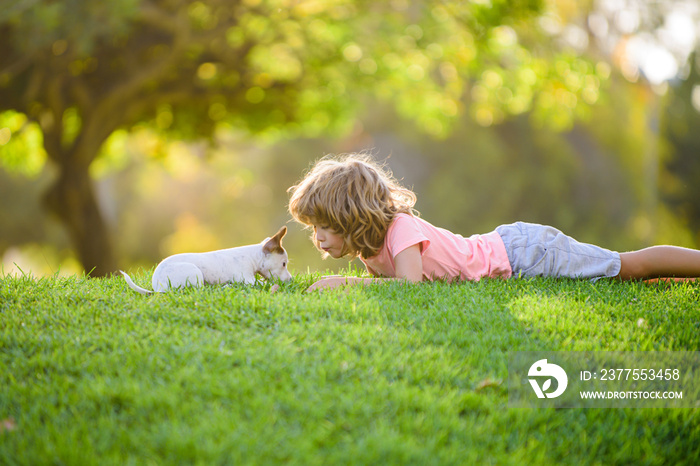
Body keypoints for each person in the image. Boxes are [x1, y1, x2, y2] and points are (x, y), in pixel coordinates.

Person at [287, 153, 700, 291]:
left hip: (526, 253)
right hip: (514, 250)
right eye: (313, 228)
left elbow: (409, 291)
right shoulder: (370, 248)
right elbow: (387, 291)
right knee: (617, 278)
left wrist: (346, 286)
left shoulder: (401, 231)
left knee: (629, 266)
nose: (318, 238)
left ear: (351, 217)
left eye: (324, 226)